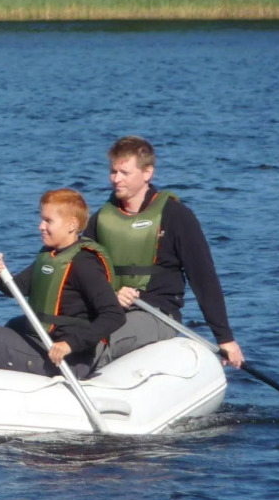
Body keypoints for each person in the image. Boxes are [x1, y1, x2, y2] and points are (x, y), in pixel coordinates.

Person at [84, 135, 244, 367]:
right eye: (113, 172)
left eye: (124, 173)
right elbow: (84, 272)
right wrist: (110, 294)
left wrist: (224, 338)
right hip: (111, 307)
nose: (116, 179)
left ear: (147, 173)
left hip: (157, 314)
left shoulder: (176, 216)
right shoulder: (101, 219)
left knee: (98, 340)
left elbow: (203, 278)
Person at [0, 189, 126, 379]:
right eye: (42, 219)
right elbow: (16, 289)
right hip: (42, 343)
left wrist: (69, 344)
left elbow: (114, 315)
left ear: (71, 225)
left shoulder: (84, 264)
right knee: (14, 324)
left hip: (64, 360)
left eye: (48, 221)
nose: (41, 226)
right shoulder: (51, 255)